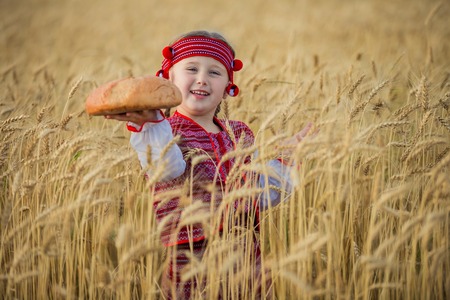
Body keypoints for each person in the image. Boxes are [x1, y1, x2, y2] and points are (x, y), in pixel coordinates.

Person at [105, 30, 313, 299]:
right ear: (169, 78)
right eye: (191, 68)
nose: (202, 78)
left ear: (229, 85)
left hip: (245, 260)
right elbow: (165, 170)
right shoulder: (163, 132)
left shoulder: (239, 133)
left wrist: (286, 160)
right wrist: (150, 122)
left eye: (215, 72)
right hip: (192, 262)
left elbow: (257, 193)